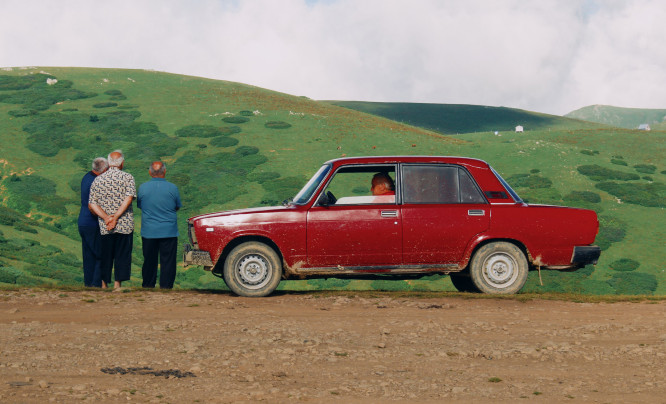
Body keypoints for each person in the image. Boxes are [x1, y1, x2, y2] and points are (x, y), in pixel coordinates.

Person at [88, 150, 136, 290]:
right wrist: (116, 217)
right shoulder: (128, 177)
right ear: (121, 163)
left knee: (106, 254)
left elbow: (92, 203)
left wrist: (106, 218)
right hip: (124, 223)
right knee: (122, 254)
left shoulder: (98, 179)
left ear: (108, 163)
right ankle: (117, 284)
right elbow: (128, 198)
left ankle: (104, 283)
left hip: (105, 225)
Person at [137, 161, 182, 289]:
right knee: (168, 261)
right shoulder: (173, 188)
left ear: (150, 172)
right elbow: (177, 206)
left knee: (149, 261)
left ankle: (148, 285)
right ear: (165, 171)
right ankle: (166, 287)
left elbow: (140, 205)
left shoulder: (143, 187)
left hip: (149, 230)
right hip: (168, 230)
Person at [78, 157, 108, 287]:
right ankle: (96, 285)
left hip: (83, 221)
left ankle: (89, 283)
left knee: (89, 255)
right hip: (93, 223)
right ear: (104, 169)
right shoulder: (97, 181)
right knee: (101, 254)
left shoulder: (86, 177)